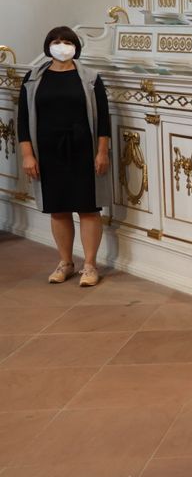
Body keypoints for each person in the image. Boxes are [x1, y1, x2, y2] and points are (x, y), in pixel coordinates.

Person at [18, 26, 111, 287]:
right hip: (48, 150)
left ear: (76, 46)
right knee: (58, 209)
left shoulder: (91, 78)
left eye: (67, 41)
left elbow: (103, 119)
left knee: (88, 207)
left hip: (83, 149)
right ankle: (65, 262)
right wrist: (28, 155)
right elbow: (23, 120)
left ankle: (90, 265)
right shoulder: (34, 77)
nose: (62, 46)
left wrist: (102, 152)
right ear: (48, 46)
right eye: (56, 41)